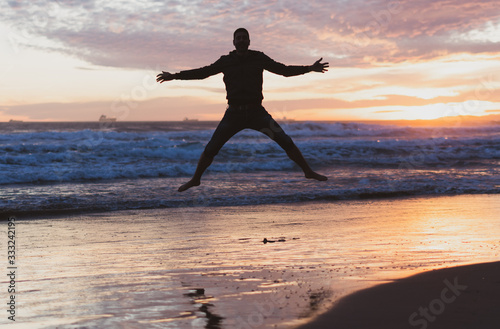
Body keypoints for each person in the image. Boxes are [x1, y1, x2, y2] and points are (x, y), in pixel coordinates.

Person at [157, 28, 328, 192]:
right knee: (211, 148)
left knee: (285, 140)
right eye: (238, 38)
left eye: (244, 37)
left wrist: (309, 68)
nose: (241, 40)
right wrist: (174, 76)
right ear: (233, 42)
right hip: (234, 114)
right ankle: (195, 179)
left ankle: (308, 171)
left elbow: (283, 70)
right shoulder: (226, 61)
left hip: (257, 113)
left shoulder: (259, 58)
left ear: (249, 41)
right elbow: (203, 72)